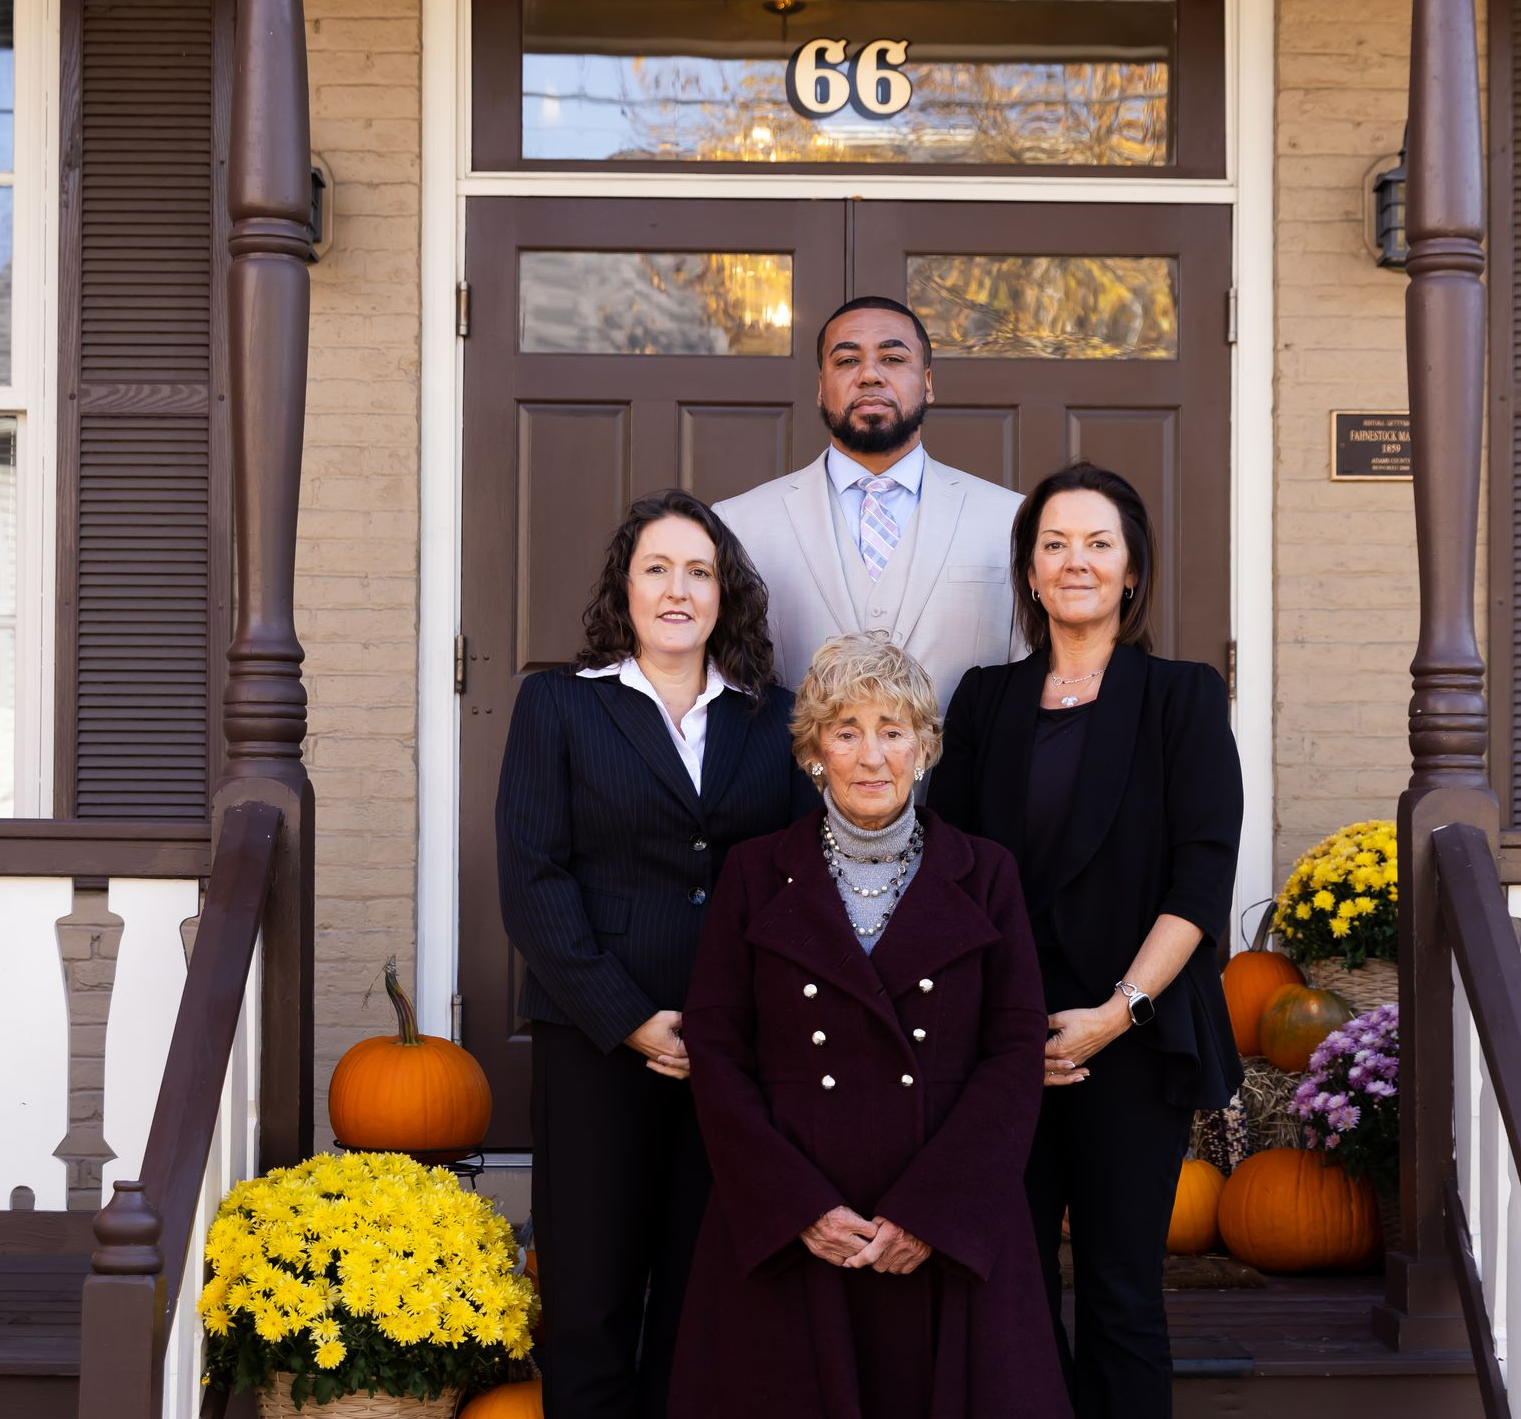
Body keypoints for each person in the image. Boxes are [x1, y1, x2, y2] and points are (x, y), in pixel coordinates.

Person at [670, 633, 1072, 1419]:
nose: (871, 754)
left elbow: (1015, 1048)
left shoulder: (986, 873)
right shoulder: (754, 874)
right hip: (799, 1225)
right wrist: (797, 1209)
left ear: (924, 749)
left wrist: (935, 1213)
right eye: (846, 730)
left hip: (943, 1224)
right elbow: (717, 1049)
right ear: (815, 750)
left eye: (893, 730)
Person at [926, 462, 1243, 1419]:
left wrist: (1118, 1012)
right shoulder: (984, 701)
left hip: (1133, 1033)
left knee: (1120, 1294)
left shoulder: (1182, 697)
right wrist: (1015, 1029)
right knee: (1009, 1295)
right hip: (1007, 1040)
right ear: (1029, 570)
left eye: (1099, 543)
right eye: (1055, 543)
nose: (1077, 562)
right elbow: (953, 876)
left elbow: (1201, 879)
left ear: (1133, 568)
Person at [495, 487, 813, 1419]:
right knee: (590, 1301)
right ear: (624, 589)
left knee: (701, 1296)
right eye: (658, 568)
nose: (679, 589)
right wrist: (630, 1019)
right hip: (596, 1041)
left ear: (727, 594)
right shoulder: (558, 704)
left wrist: (741, 1021)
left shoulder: (774, 717)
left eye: (700, 571)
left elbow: (799, 881)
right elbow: (533, 878)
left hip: (733, 1055)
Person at [714, 295, 1022, 711]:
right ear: (821, 388)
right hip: (791, 776)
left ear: (928, 383)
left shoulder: (1011, 520)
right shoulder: (738, 523)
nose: (870, 375)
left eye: (893, 359)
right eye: (846, 361)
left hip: (965, 777)